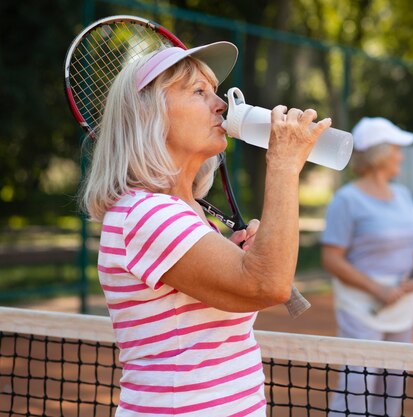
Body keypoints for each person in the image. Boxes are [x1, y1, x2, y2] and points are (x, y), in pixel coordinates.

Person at [80, 42, 331, 416]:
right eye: (199, 92)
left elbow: (241, 295)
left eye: (215, 91)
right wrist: (282, 164)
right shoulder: (146, 213)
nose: (220, 105)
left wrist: (244, 258)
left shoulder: (186, 212)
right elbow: (269, 286)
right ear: (148, 114)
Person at [320, 117, 413, 417]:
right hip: (360, 307)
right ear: (380, 153)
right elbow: (331, 258)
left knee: (395, 386)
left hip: (402, 305)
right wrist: (378, 289)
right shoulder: (347, 200)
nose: (401, 156)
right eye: (396, 149)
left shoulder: (405, 196)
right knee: (358, 387)